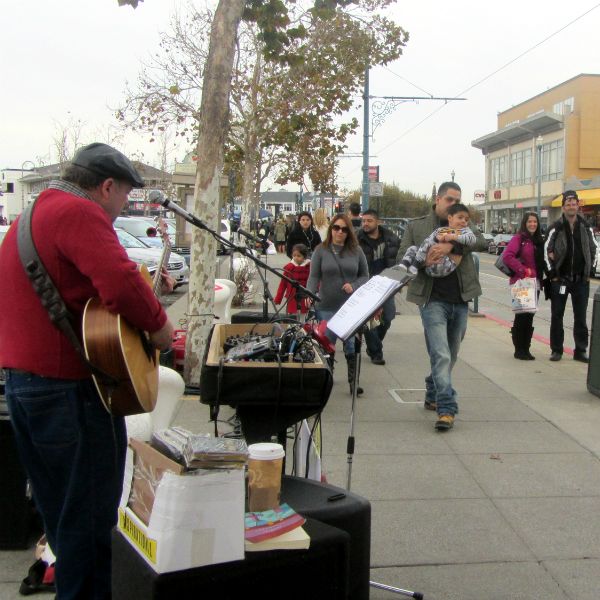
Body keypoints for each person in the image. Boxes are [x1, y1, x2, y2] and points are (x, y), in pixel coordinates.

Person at [0, 142, 175, 599]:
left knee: (61, 520)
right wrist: (159, 328)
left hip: (24, 387)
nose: (121, 209)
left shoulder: (30, 217)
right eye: (124, 197)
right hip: (70, 393)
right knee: (90, 528)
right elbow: (118, 284)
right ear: (106, 186)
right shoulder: (79, 213)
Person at [398, 181, 488, 431]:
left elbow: (480, 242)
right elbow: (402, 256)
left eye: (458, 199)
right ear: (438, 200)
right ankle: (446, 407)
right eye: (449, 199)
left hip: (460, 299)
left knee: (451, 354)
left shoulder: (463, 223)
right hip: (431, 299)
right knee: (441, 354)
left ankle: (431, 389)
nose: (454, 203)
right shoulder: (417, 226)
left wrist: (451, 244)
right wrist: (426, 258)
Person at [307, 213, 369, 395]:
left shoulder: (356, 251)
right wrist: (310, 294)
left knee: (351, 344)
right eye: (336, 228)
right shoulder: (321, 250)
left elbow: (365, 275)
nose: (339, 232)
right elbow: (314, 276)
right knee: (328, 344)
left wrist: (354, 285)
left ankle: (353, 381)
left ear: (349, 231)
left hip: (350, 306)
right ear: (331, 229)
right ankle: (328, 379)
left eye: (343, 229)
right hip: (325, 304)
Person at [544, 190, 598, 362]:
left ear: (578, 205)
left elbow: (594, 249)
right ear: (563, 207)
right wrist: (552, 274)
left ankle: (581, 350)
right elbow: (546, 251)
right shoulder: (555, 227)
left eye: (574, 204)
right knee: (557, 315)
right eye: (568, 204)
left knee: (581, 317)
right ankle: (556, 350)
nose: (571, 207)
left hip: (581, 281)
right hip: (560, 279)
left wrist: (590, 272)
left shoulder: (586, 226)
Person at [357, 208, 400, 365]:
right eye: (363, 221)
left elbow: (398, 260)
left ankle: (374, 344)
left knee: (387, 317)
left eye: (369, 221)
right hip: (366, 284)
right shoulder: (357, 238)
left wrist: (399, 281)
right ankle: (376, 352)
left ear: (378, 222)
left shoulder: (391, 238)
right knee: (369, 320)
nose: (365, 224)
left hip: (386, 284)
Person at [502, 211, 546, 360]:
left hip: (535, 283)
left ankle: (526, 348)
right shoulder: (519, 238)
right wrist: (522, 270)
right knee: (521, 316)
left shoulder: (539, 240)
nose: (532, 224)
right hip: (522, 282)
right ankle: (518, 349)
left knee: (530, 316)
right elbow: (508, 256)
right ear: (524, 223)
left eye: (535, 222)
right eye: (529, 222)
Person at [397, 203, 476, 279]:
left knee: (435, 256)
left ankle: (415, 265)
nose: (464, 221)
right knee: (413, 248)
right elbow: (428, 241)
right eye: (460, 218)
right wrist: (434, 241)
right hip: (429, 265)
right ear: (450, 218)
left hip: (445, 265)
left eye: (466, 219)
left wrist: (453, 238)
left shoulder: (465, 231)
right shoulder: (443, 230)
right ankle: (404, 265)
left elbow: (472, 240)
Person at [274, 243, 311, 316]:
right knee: (292, 318)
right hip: (292, 297)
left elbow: (314, 281)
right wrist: (278, 298)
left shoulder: (309, 267)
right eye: (294, 255)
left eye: (299, 256)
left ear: (304, 257)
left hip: (305, 297)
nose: (296, 258)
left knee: (304, 316)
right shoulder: (289, 268)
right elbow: (283, 284)